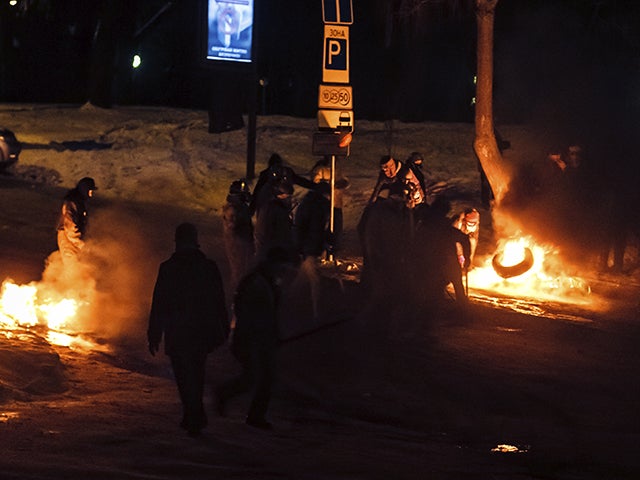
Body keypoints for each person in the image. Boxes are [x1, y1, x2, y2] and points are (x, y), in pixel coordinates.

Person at [147, 223, 229, 437]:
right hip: (200, 331)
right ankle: (195, 415)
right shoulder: (208, 267)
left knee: (183, 376)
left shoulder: (168, 268)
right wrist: (223, 326)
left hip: (177, 331)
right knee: (197, 373)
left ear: (177, 241)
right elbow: (219, 300)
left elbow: (159, 303)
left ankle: (192, 414)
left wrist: (154, 333)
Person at [216, 247, 292, 430]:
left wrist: (273, 334)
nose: (283, 271)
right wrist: (262, 336)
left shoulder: (267, 282)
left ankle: (255, 414)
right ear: (273, 264)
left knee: (264, 378)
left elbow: (269, 315)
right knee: (256, 377)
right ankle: (226, 394)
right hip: (250, 339)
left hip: (260, 339)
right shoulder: (257, 283)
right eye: (282, 266)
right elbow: (252, 315)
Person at [249, 153, 316, 217]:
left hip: (275, 205)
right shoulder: (269, 175)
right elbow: (301, 181)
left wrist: (252, 208)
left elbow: (257, 191)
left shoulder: (269, 174)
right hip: (273, 204)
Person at [253, 179, 297, 262]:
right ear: (281, 196)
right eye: (289, 197)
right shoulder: (273, 210)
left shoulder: (280, 209)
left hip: (277, 253)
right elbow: (263, 234)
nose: (291, 200)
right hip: (272, 255)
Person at [222, 179, 255, 290]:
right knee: (238, 271)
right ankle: (236, 294)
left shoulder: (239, 206)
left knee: (244, 269)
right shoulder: (232, 209)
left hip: (243, 242)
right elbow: (233, 228)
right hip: (237, 244)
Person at [56, 177, 97, 263]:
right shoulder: (72, 203)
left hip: (74, 239)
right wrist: (80, 243)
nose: (91, 194)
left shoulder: (79, 203)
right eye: (89, 191)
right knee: (72, 264)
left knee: (79, 262)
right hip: (68, 238)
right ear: (84, 190)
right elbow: (70, 225)